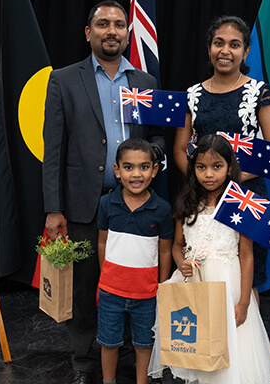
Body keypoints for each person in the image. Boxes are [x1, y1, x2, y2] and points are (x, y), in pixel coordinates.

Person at [42, 0, 166, 384]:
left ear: (128, 32)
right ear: (88, 32)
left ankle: (127, 353)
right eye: (102, 24)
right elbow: (53, 150)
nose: (111, 31)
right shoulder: (64, 79)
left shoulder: (145, 83)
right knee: (84, 289)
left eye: (118, 24)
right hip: (82, 206)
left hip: (137, 206)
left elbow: (158, 136)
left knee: (135, 283)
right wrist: (53, 208)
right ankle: (83, 362)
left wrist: (151, 156)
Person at [149, 134, 270, 384]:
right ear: (193, 168)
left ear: (230, 167)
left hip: (228, 285)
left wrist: (243, 302)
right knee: (198, 343)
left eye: (217, 167)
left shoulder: (239, 204)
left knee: (228, 344)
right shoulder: (187, 203)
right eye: (201, 167)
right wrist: (180, 263)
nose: (209, 174)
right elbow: (177, 246)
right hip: (195, 282)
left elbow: (247, 256)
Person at [173, 16, 270, 297]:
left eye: (234, 45)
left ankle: (243, 338)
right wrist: (203, 181)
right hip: (201, 199)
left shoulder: (261, 93)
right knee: (201, 271)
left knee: (246, 279)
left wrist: (228, 180)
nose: (225, 50)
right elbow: (179, 149)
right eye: (218, 43)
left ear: (245, 51)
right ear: (209, 48)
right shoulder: (191, 95)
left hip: (245, 197)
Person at [97, 138, 173, 384]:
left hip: (147, 295)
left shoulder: (162, 209)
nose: (136, 174)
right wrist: (104, 278)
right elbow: (102, 243)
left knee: (144, 343)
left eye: (143, 166)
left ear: (155, 169)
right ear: (117, 171)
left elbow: (164, 251)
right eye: (128, 167)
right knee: (108, 343)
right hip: (110, 292)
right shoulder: (107, 204)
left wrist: (161, 287)